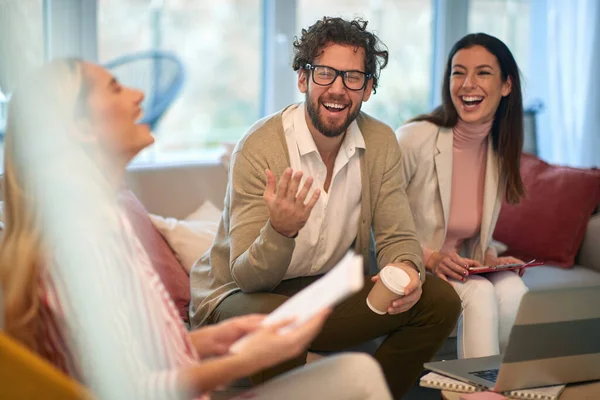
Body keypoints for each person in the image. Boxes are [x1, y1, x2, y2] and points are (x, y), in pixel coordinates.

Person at [0, 59, 393, 400]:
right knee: (356, 377)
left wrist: (215, 340)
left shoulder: (106, 219)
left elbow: (135, 359)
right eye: (115, 88)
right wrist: (247, 359)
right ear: (82, 129)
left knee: (357, 373)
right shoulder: (76, 245)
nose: (138, 94)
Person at [189, 16, 461, 398]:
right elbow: (248, 278)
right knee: (275, 317)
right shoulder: (260, 147)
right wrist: (280, 231)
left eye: (353, 78)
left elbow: (398, 235)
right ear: (303, 79)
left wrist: (406, 268)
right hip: (241, 297)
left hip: (323, 292)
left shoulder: (380, 142)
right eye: (325, 74)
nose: (338, 89)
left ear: (367, 89)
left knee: (439, 300)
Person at [396, 33, 529, 359]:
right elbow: (375, 221)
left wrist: (491, 260)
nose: (468, 84)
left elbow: (464, 238)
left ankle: (503, 388)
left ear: (506, 85)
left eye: (483, 72)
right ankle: (475, 392)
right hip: (410, 266)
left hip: (457, 269)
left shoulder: (499, 151)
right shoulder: (413, 139)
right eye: (458, 72)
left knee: (515, 290)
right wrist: (431, 258)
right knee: (480, 294)